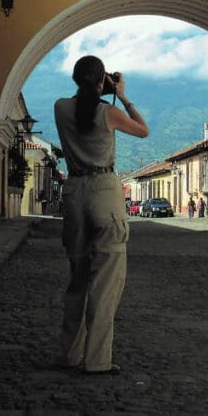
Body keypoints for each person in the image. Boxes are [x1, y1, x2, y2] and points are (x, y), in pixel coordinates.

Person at [54, 56, 148, 376]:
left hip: (74, 192)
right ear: (101, 81)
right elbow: (144, 131)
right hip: (105, 193)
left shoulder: (59, 107)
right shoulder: (109, 113)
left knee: (77, 279)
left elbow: (79, 107)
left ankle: (69, 354)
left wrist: (99, 87)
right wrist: (121, 95)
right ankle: (97, 361)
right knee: (106, 282)